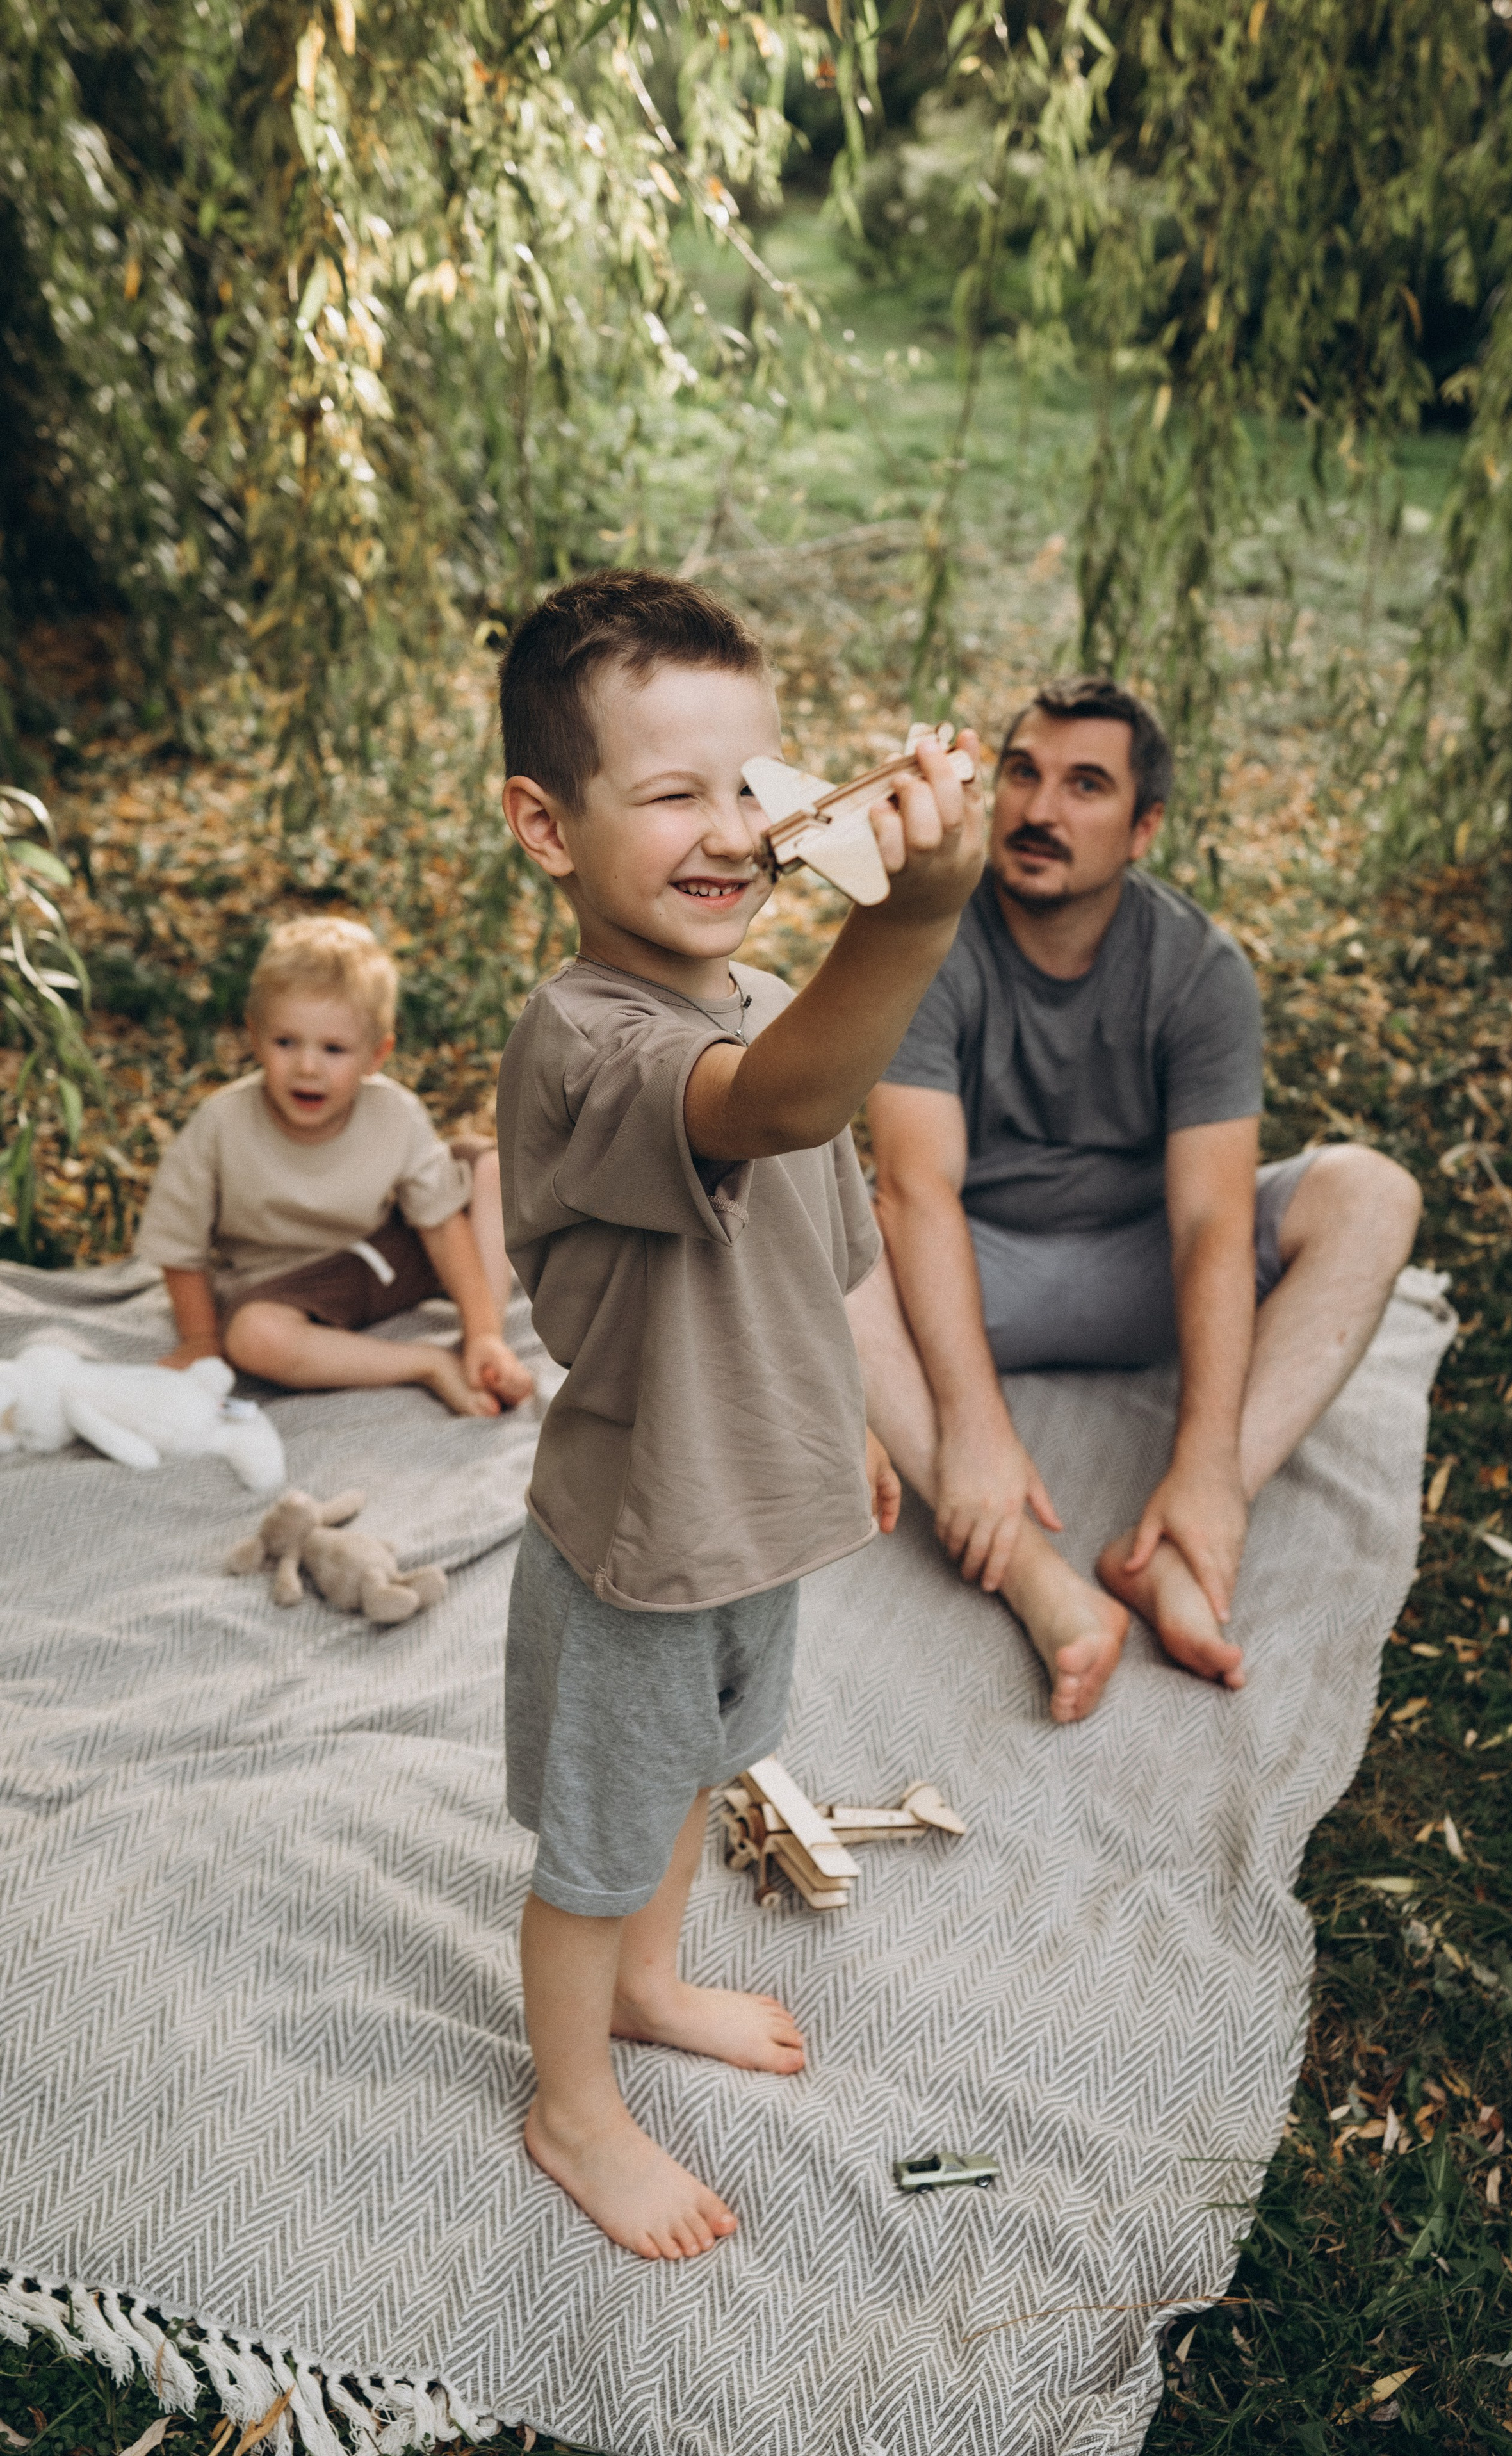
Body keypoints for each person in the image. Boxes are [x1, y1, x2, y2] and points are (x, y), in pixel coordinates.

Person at [494, 569, 984, 2263]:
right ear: (546, 826)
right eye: (671, 792)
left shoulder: (763, 1001)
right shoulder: (587, 1037)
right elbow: (773, 1112)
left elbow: (825, 1252)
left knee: (706, 1764)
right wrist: (915, 916)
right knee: (604, 1830)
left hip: (749, 1514)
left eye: (752, 785)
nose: (730, 828)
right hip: (640, 1544)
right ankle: (572, 2103)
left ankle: (649, 1980)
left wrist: (848, 1416)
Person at [849, 674, 1423, 1724]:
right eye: (1022, 774)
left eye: (1086, 786)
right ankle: (1041, 1583)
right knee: (794, 1208)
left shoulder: (1200, 971)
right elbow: (914, 1190)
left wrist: (1205, 1463)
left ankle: (1184, 1537)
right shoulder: (928, 938)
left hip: (1142, 1265)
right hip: (978, 1269)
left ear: (1143, 825)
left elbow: (1209, 1223)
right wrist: (977, 1424)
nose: (1040, 811)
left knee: (1372, 1193)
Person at [138, 916, 535, 1415]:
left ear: (376, 1054)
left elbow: (439, 1223)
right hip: (291, 1284)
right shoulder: (221, 1124)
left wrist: (481, 1329)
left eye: (333, 1049)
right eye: (286, 1043)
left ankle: (483, 1348)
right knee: (254, 1338)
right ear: (255, 1037)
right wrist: (199, 1340)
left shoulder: (394, 1113)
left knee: (488, 1167)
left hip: (389, 1256)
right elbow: (180, 1246)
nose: (308, 1066)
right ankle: (429, 1362)